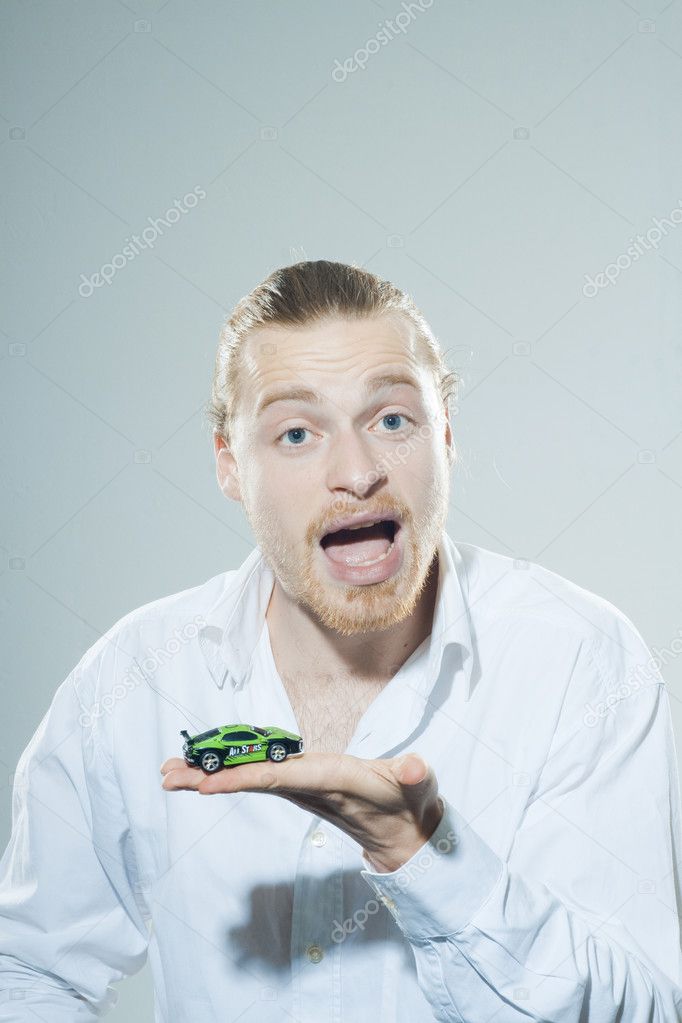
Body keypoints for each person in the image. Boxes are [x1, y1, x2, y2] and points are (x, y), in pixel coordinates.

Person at [0, 260, 681, 1022]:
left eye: (392, 420)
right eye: (295, 432)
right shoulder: (132, 679)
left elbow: (643, 1008)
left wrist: (420, 850)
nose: (357, 473)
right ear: (231, 465)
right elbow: (27, 972)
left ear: (446, 436)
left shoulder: (580, 661)